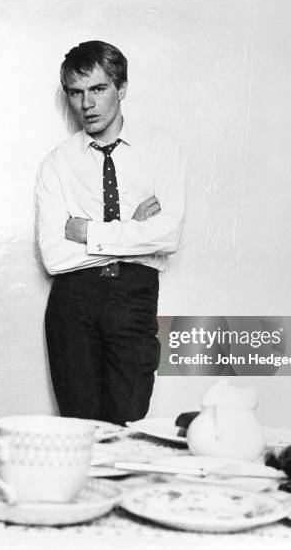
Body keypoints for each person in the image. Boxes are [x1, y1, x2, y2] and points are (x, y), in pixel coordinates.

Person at [36, 40, 186, 425]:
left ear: (120, 88)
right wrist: (134, 231)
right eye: (76, 92)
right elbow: (54, 257)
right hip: (73, 302)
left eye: (98, 89)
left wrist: (90, 232)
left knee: (129, 424)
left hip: (133, 298)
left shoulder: (160, 150)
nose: (87, 104)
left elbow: (168, 236)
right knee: (79, 432)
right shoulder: (57, 164)